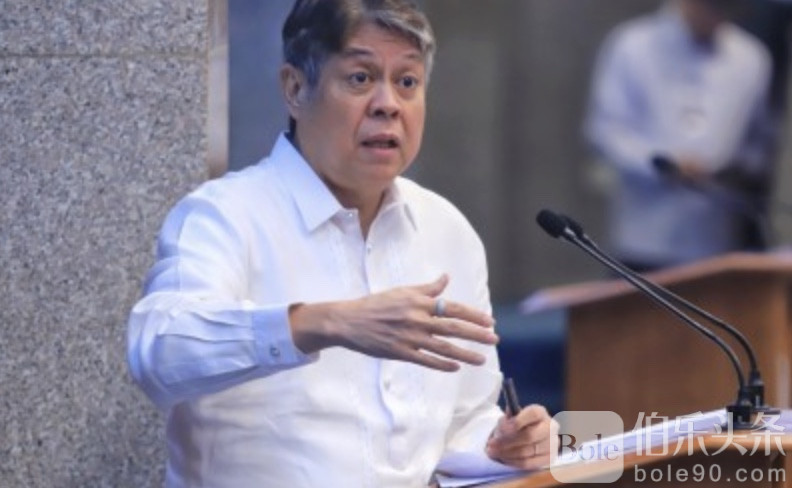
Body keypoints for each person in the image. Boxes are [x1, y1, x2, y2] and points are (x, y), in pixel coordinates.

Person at [127, 0, 556, 486]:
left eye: (407, 82)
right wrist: (325, 323)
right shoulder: (224, 215)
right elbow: (159, 351)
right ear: (295, 88)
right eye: (360, 78)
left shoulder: (446, 229)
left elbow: (464, 419)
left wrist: (503, 442)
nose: (388, 104)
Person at [585, 0, 773, 272]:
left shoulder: (751, 57)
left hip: (715, 236)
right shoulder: (632, 45)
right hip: (645, 234)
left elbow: (756, 145)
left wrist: (726, 169)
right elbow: (606, 130)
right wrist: (664, 164)